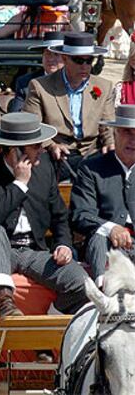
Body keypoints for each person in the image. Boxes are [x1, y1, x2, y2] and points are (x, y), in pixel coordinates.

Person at [0, 112, 88, 319]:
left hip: (34, 252)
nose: (42, 150)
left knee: (82, 284)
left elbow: (60, 217)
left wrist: (64, 245)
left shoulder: (46, 170)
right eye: (36, 146)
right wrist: (19, 184)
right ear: (15, 152)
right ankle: (5, 305)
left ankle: (49, 324)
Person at [23, 32, 115, 181]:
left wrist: (110, 143)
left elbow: (107, 124)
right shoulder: (40, 86)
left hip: (91, 152)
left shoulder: (104, 87)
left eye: (89, 61)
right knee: (39, 176)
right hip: (57, 154)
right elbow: (32, 126)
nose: (85, 66)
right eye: (79, 60)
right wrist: (51, 145)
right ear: (65, 59)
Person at [70, 105, 135, 286]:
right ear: (115, 133)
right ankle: (103, 290)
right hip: (106, 246)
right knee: (98, 235)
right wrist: (111, 228)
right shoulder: (92, 169)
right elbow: (80, 214)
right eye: (127, 132)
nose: (133, 140)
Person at [9, 32, 65, 112]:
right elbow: (16, 116)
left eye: (56, 54)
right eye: (48, 54)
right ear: (42, 56)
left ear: (66, 58)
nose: (51, 59)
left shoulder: (74, 81)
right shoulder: (25, 83)